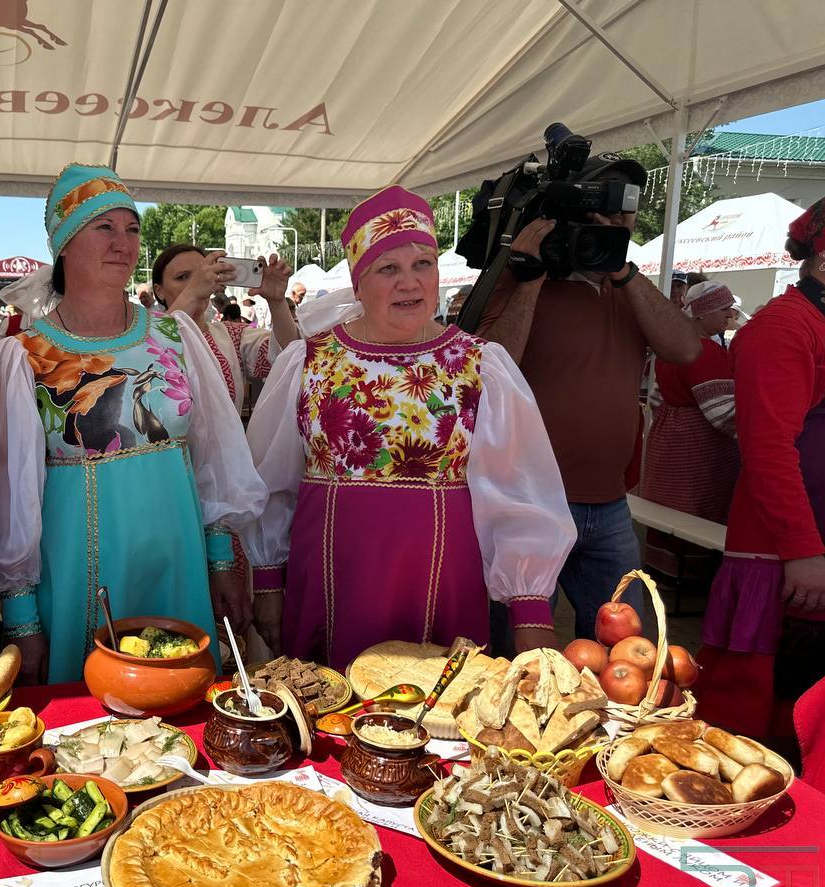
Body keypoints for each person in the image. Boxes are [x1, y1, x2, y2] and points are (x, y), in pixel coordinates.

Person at [245, 186, 575, 666]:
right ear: (358, 285)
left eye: (423, 264)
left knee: (435, 722)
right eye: (388, 269)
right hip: (333, 581)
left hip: (443, 585)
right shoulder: (309, 361)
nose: (410, 283)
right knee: (329, 711)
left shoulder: (480, 365)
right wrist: (269, 582)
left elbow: (519, 489)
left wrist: (529, 611)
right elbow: (271, 482)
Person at [0, 164, 266, 684]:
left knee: (178, 701)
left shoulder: (175, 335)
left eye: (132, 228)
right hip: (75, 576)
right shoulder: (26, 356)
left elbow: (213, 457)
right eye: (104, 228)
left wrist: (223, 561)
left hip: (175, 561)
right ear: (64, 243)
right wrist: (22, 615)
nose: (123, 243)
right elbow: (8, 497)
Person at [477, 153, 700, 641]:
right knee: (516, 651)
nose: (617, 221)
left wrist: (622, 272)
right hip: (529, 502)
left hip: (610, 504)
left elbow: (685, 348)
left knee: (625, 651)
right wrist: (530, 277)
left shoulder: (629, 287)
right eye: (604, 208)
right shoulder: (524, 282)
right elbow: (491, 367)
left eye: (626, 212)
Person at [697, 187, 825, 749]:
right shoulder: (784, 326)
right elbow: (768, 449)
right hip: (788, 547)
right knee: (766, 713)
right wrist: (803, 549)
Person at [151, 243, 296, 416]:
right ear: (159, 291)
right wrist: (193, 294)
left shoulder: (232, 335)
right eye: (183, 277)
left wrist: (277, 302)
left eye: (202, 275)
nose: (198, 283)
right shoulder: (143, 338)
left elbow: (290, 355)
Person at [642, 280, 740, 522]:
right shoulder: (706, 352)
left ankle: (663, 559)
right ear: (702, 314)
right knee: (695, 515)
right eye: (723, 308)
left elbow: (655, 399)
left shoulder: (670, 348)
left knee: (667, 512)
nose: (730, 313)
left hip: (668, 440)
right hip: (698, 447)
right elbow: (724, 415)